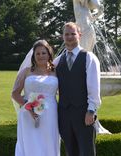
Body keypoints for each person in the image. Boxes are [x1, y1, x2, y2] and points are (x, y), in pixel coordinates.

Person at [53, 22, 101, 156]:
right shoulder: (57, 61)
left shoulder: (89, 58)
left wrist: (91, 110)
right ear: (62, 36)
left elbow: (94, 87)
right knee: (70, 151)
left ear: (79, 35)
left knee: (87, 151)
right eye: (66, 34)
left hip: (83, 113)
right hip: (63, 114)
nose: (69, 37)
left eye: (73, 34)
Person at [12, 40, 60, 156]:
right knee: (31, 143)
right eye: (37, 53)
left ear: (49, 54)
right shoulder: (26, 71)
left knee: (48, 142)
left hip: (50, 114)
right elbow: (15, 93)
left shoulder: (56, 72)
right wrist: (29, 107)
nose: (40, 56)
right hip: (28, 114)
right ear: (33, 56)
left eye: (43, 53)